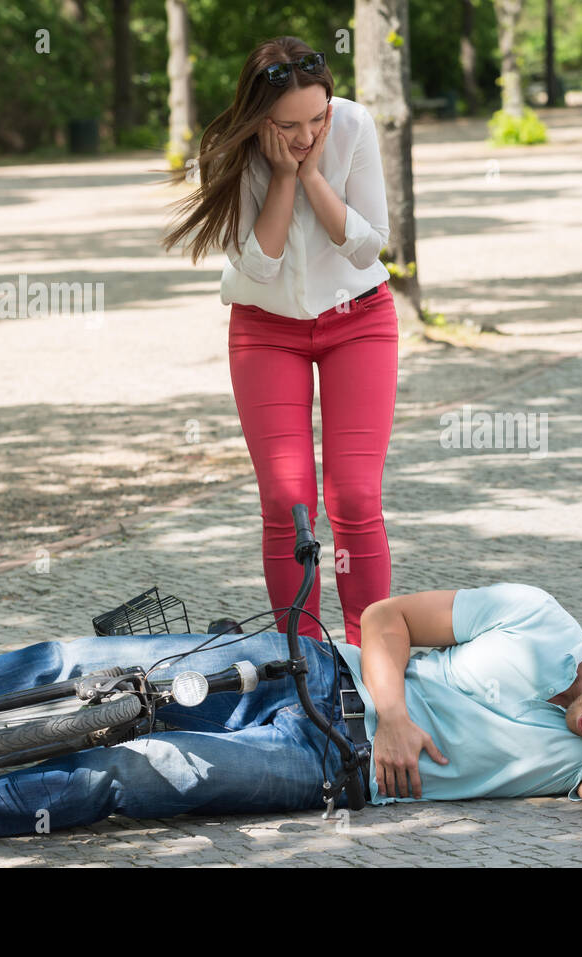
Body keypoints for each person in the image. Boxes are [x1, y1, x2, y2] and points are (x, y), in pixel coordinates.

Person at [0, 583, 582, 846]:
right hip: (306, 668)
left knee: (126, 775)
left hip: (319, 769)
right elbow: (385, 619)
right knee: (76, 660)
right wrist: (392, 712)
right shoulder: (537, 615)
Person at [162, 36, 397, 647]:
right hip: (267, 331)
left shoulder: (353, 125)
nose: (305, 133)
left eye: (317, 118)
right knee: (287, 502)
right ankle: (305, 659)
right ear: (258, 116)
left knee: (354, 496)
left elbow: (370, 244)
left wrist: (313, 173)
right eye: (288, 125)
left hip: (359, 320)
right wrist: (285, 179)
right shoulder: (228, 152)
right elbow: (259, 266)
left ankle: (370, 658)